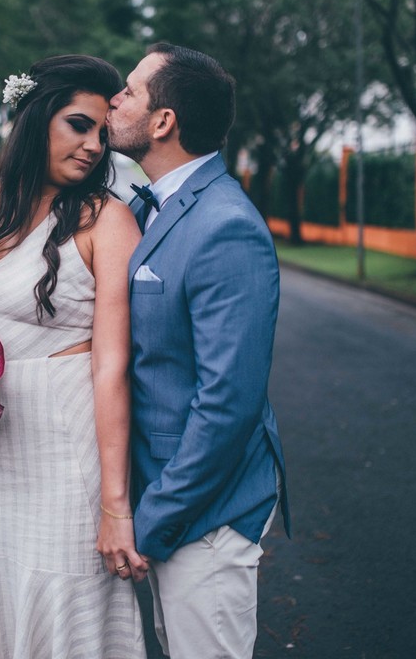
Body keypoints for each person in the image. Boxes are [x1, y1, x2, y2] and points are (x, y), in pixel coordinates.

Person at [0, 55, 147, 658]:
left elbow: (111, 366)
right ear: (33, 116)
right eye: (79, 124)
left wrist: (115, 505)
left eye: (104, 134)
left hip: (62, 448)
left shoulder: (107, 220)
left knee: (65, 608)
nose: (93, 146)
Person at [107, 42, 290, 658]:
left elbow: (228, 404)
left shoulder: (225, 225)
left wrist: (154, 521)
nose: (115, 100)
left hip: (203, 514)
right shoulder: (145, 207)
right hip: (164, 503)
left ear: (163, 122)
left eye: (129, 90)